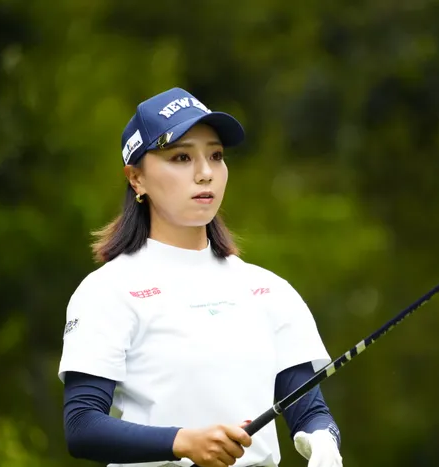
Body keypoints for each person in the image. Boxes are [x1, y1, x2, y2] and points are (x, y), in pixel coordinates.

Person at [57, 87, 344, 467]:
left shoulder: (269, 290)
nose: (205, 173)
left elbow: (309, 411)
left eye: (216, 156)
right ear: (136, 178)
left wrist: (323, 440)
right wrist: (182, 442)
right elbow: (82, 426)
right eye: (181, 157)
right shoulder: (107, 291)